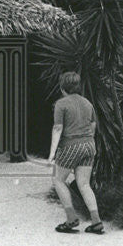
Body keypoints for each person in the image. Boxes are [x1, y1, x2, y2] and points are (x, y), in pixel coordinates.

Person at [48, 71, 104, 234]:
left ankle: (71, 219)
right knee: (84, 184)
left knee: (58, 180)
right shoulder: (87, 103)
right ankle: (96, 221)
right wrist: (87, 141)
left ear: (62, 87)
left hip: (71, 146)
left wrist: (52, 153)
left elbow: (58, 128)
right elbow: (93, 125)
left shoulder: (61, 103)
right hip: (89, 145)